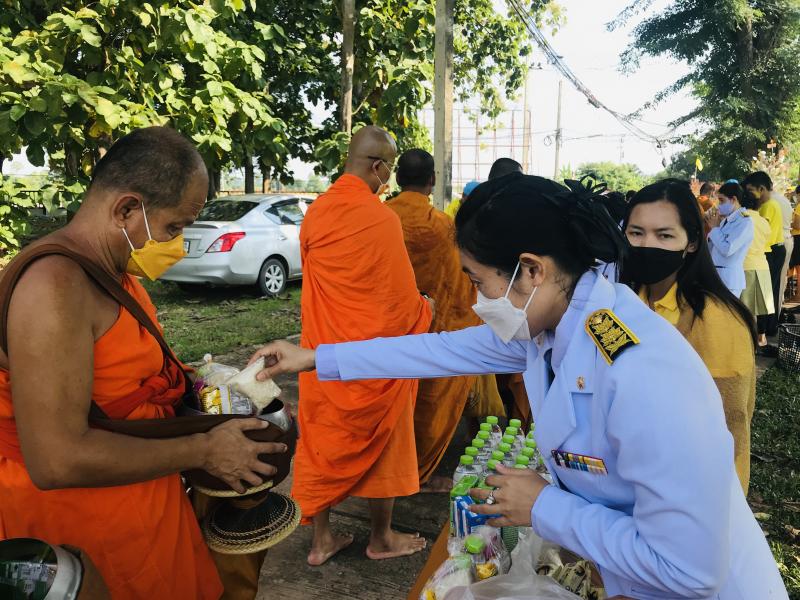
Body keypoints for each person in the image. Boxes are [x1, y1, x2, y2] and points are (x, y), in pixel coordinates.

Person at [250, 175, 787, 600]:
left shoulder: (640, 372)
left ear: (529, 270)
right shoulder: (556, 323)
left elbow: (690, 570)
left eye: (479, 281)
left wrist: (545, 506)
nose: (477, 298)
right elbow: (437, 350)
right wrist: (317, 357)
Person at [0, 127, 287, 599]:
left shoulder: (112, 274)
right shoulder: (53, 287)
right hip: (89, 528)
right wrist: (204, 450)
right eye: (174, 227)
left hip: (143, 501)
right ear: (127, 209)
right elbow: (55, 460)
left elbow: (125, 383)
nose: (176, 242)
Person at [291, 125, 432, 566]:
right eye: (387, 168)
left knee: (321, 440)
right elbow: (396, 300)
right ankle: (381, 537)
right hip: (371, 359)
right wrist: (423, 308)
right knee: (386, 441)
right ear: (378, 166)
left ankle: (321, 542)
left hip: (321, 352)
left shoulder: (317, 213)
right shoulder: (379, 217)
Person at [620, 179, 757, 493]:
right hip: (628, 478)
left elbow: (728, 425)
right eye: (636, 233)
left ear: (692, 242)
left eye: (665, 235)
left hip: (687, 491)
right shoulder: (622, 302)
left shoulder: (717, 320)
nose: (646, 246)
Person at [385, 149, 480, 493]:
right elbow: (461, 286)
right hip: (438, 331)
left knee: (391, 402)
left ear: (396, 179)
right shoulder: (445, 227)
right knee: (429, 402)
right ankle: (420, 469)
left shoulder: (380, 219)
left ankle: (388, 469)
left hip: (386, 333)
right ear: (432, 181)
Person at [744, 171, 786, 335]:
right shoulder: (771, 204)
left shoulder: (767, 206)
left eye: (750, 191)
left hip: (771, 251)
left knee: (765, 294)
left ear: (761, 189)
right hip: (774, 249)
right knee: (770, 292)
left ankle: (765, 330)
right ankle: (768, 328)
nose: (749, 195)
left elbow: (760, 231)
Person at [739, 189, 776, 349]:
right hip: (762, 265)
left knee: (745, 307)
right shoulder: (763, 221)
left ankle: (746, 339)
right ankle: (762, 338)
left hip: (744, 265)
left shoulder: (741, 219)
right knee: (761, 306)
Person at [705, 181, 754, 297]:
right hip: (717, 276)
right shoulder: (726, 220)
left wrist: (714, 229)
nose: (718, 205)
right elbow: (713, 247)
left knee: (726, 314)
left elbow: (727, 249)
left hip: (729, 280)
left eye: (722, 200)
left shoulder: (744, 221)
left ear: (733, 199)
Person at [789, 184, 800, 302]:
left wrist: (787, 223)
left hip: (798, 238)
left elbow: (797, 225)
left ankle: (798, 295)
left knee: (798, 268)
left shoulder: (799, 206)